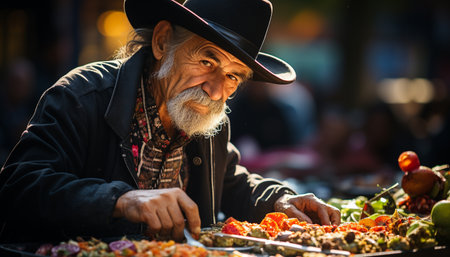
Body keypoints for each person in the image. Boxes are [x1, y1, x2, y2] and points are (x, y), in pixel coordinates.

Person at [0, 0, 340, 243]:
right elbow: (18, 187)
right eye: (208, 61)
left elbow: (231, 182)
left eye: (234, 76)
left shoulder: (204, 117)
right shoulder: (82, 96)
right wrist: (120, 200)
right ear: (163, 42)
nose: (217, 90)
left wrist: (279, 199)